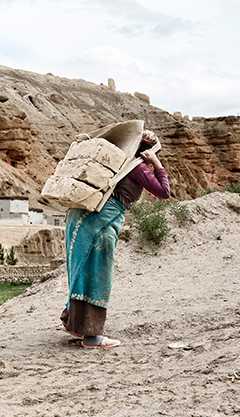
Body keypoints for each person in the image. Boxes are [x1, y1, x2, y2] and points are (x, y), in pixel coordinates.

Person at [60, 130, 170, 348]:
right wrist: (157, 164)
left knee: (81, 269)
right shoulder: (136, 167)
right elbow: (164, 192)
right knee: (98, 274)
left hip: (82, 218)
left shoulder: (115, 159)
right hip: (103, 223)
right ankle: (92, 336)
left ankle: (71, 323)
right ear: (147, 151)